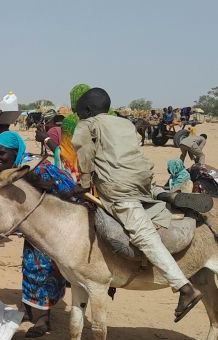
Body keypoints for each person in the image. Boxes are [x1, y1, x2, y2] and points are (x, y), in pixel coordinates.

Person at [73, 88, 204, 322]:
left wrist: (83, 184)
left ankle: (184, 288)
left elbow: (84, 153)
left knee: (142, 233)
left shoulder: (87, 124)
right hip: (142, 177)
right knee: (145, 191)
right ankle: (166, 195)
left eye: (80, 111)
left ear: (88, 110)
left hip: (117, 189)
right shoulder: (124, 124)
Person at [0, 131, 75, 336]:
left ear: (16, 151)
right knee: (30, 268)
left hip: (48, 229)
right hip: (30, 229)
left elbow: (69, 187)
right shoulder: (6, 170)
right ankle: (29, 309)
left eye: (1, 153)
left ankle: (43, 319)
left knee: (44, 271)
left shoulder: (38, 168)